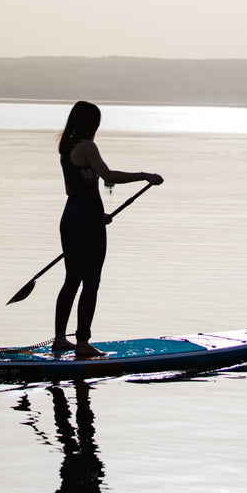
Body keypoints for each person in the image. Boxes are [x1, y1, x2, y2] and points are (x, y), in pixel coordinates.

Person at [53, 101, 163, 358]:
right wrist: (144, 175)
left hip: (70, 217)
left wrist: (96, 214)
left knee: (72, 279)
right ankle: (82, 343)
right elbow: (108, 176)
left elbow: (78, 189)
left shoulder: (66, 148)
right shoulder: (88, 147)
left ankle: (60, 339)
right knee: (91, 282)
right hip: (86, 220)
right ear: (92, 124)